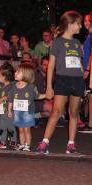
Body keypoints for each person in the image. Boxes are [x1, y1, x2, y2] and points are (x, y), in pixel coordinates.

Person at [37, 11, 85, 154]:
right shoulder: (57, 42)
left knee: (74, 112)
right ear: (70, 24)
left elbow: (79, 63)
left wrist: (82, 78)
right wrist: (49, 87)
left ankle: (71, 144)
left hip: (76, 80)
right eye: (78, 23)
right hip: (62, 80)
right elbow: (51, 66)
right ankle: (45, 142)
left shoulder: (77, 43)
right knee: (56, 111)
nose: (80, 26)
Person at [7, 64, 45, 152]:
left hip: (28, 112)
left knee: (26, 130)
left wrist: (46, 95)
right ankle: (22, 144)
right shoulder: (13, 86)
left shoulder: (31, 87)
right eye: (16, 71)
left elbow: (37, 96)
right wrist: (9, 110)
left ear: (26, 75)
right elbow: (10, 99)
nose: (15, 73)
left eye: (18, 72)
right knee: (20, 129)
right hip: (17, 112)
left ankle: (27, 145)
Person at [0, 63, 17, 150]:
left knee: (10, 126)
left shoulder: (12, 85)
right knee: (2, 127)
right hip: (2, 110)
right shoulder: (2, 86)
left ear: (6, 76)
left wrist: (3, 98)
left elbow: (14, 95)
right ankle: (2, 142)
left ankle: (13, 140)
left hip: (9, 111)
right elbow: (0, 98)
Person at [80, 11, 92, 133]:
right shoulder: (88, 36)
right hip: (87, 69)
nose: (86, 23)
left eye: (89, 20)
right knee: (89, 96)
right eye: (85, 21)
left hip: (89, 70)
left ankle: (91, 124)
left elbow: (90, 55)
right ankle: (89, 122)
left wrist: (87, 69)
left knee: (91, 96)